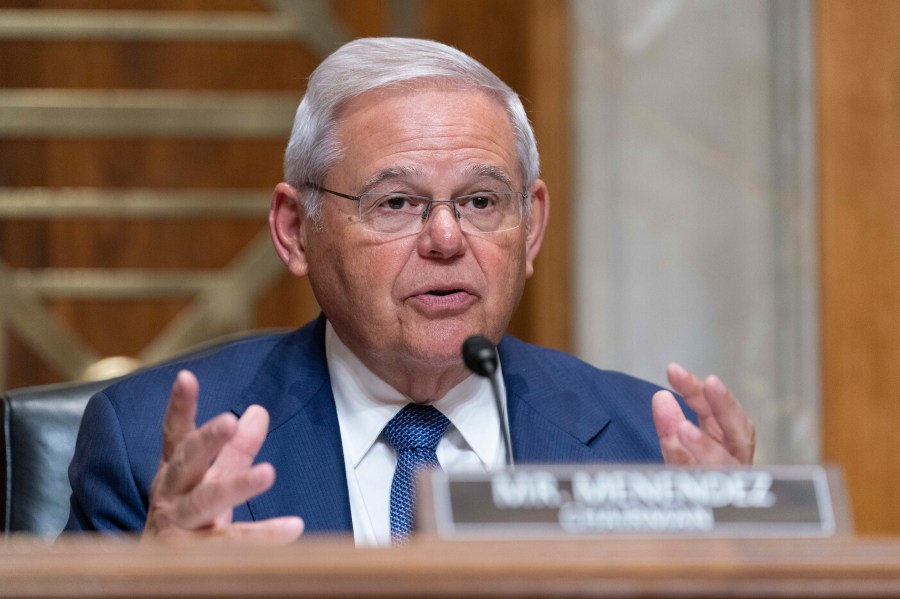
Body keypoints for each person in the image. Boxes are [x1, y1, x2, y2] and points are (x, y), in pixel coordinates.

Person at [64, 37, 755, 546]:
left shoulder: (649, 450)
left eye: (482, 201)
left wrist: (738, 561)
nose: (447, 239)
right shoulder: (144, 447)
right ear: (294, 230)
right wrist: (151, 584)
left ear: (533, 225)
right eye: (396, 203)